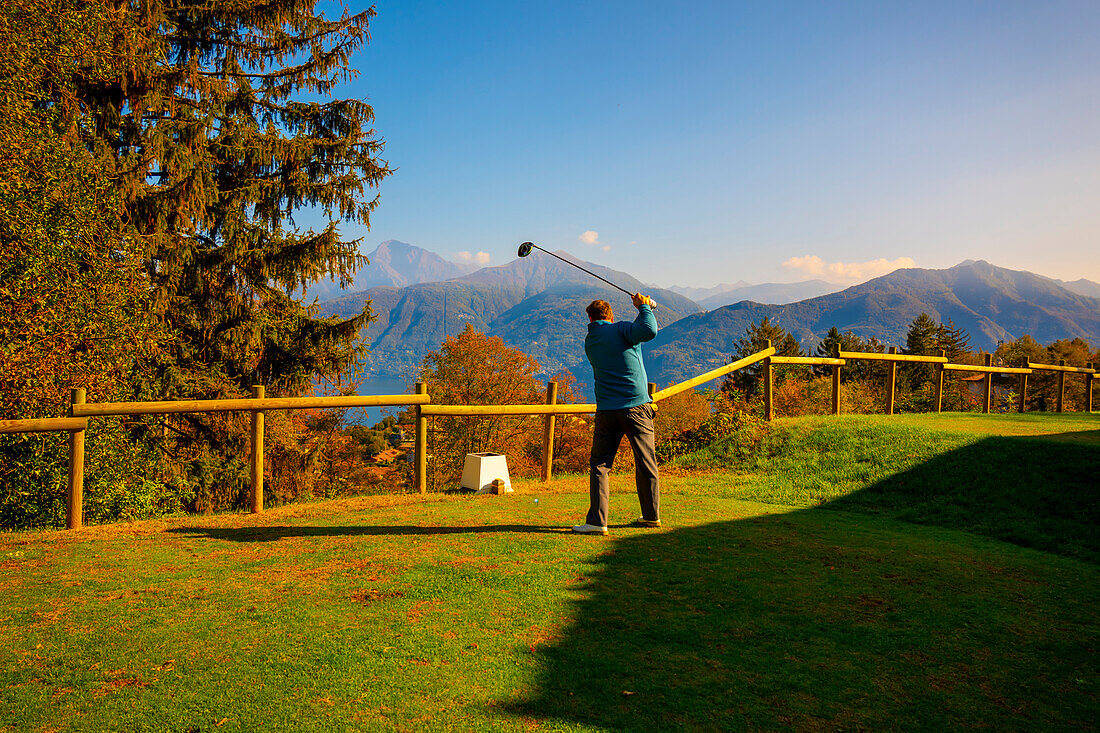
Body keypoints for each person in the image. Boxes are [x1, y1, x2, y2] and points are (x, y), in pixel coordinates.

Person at [572, 293, 661, 535]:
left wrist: (645, 309)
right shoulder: (621, 330)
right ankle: (651, 515)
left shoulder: (590, 341)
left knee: (600, 464)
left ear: (590, 318)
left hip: (607, 411)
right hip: (637, 408)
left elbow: (640, 330)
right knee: (646, 462)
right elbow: (649, 331)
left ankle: (597, 521)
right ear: (610, 316)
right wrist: (644, 307)